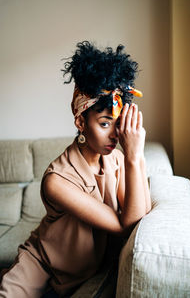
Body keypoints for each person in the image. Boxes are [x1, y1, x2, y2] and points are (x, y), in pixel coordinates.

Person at [0, 41, 151, 297]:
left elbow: (138, 219)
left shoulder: (116, 160)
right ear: (81, 121)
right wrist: (133, 156)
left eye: (118, 124)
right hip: (42, 266)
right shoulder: (56, 180)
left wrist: (135, 154)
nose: (115, 135)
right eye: (104, 124)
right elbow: (122, 226)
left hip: (87, 274)